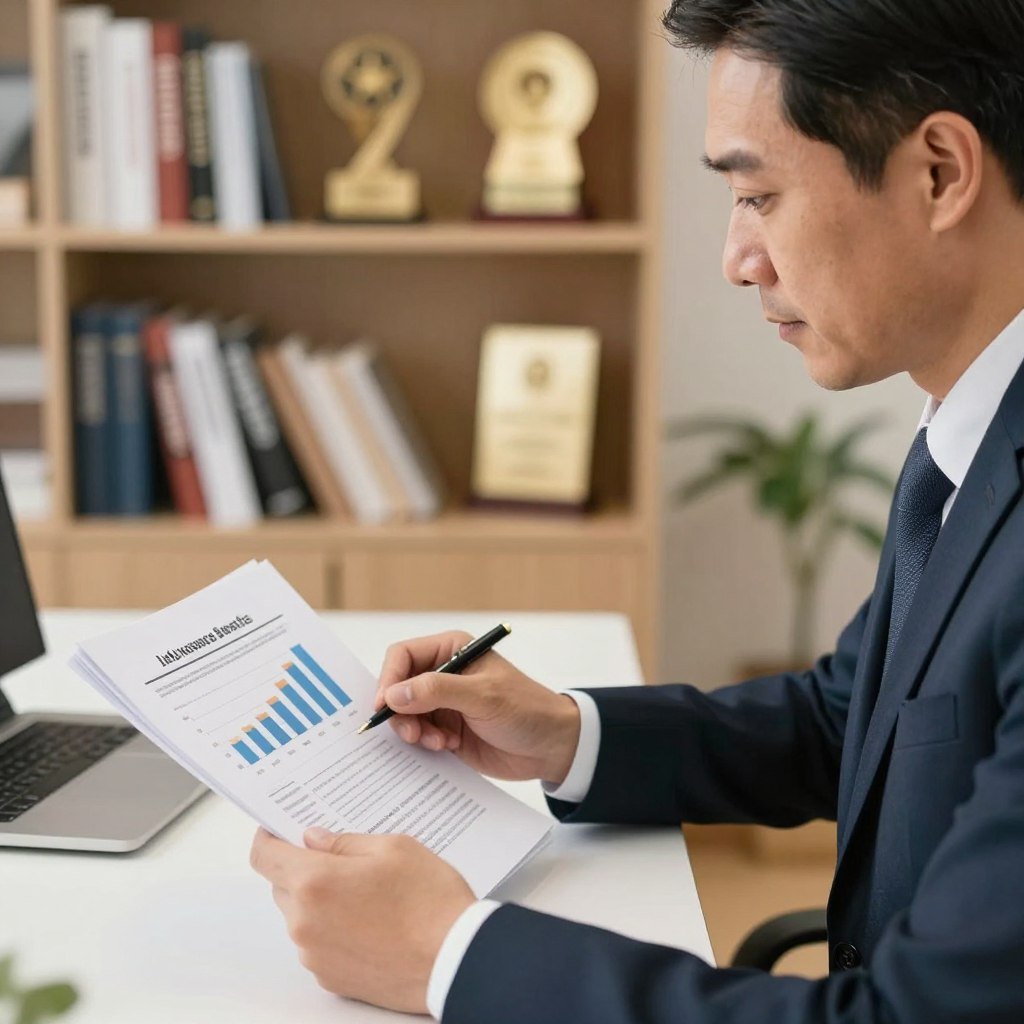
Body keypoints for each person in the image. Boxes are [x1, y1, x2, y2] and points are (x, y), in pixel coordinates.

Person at [248, 1, 1024, 1020]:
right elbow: (856, 718)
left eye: (757, 195)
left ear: (937, 172)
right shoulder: (970, 435)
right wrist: (564, 734)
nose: (736, 257)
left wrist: (446, 955)